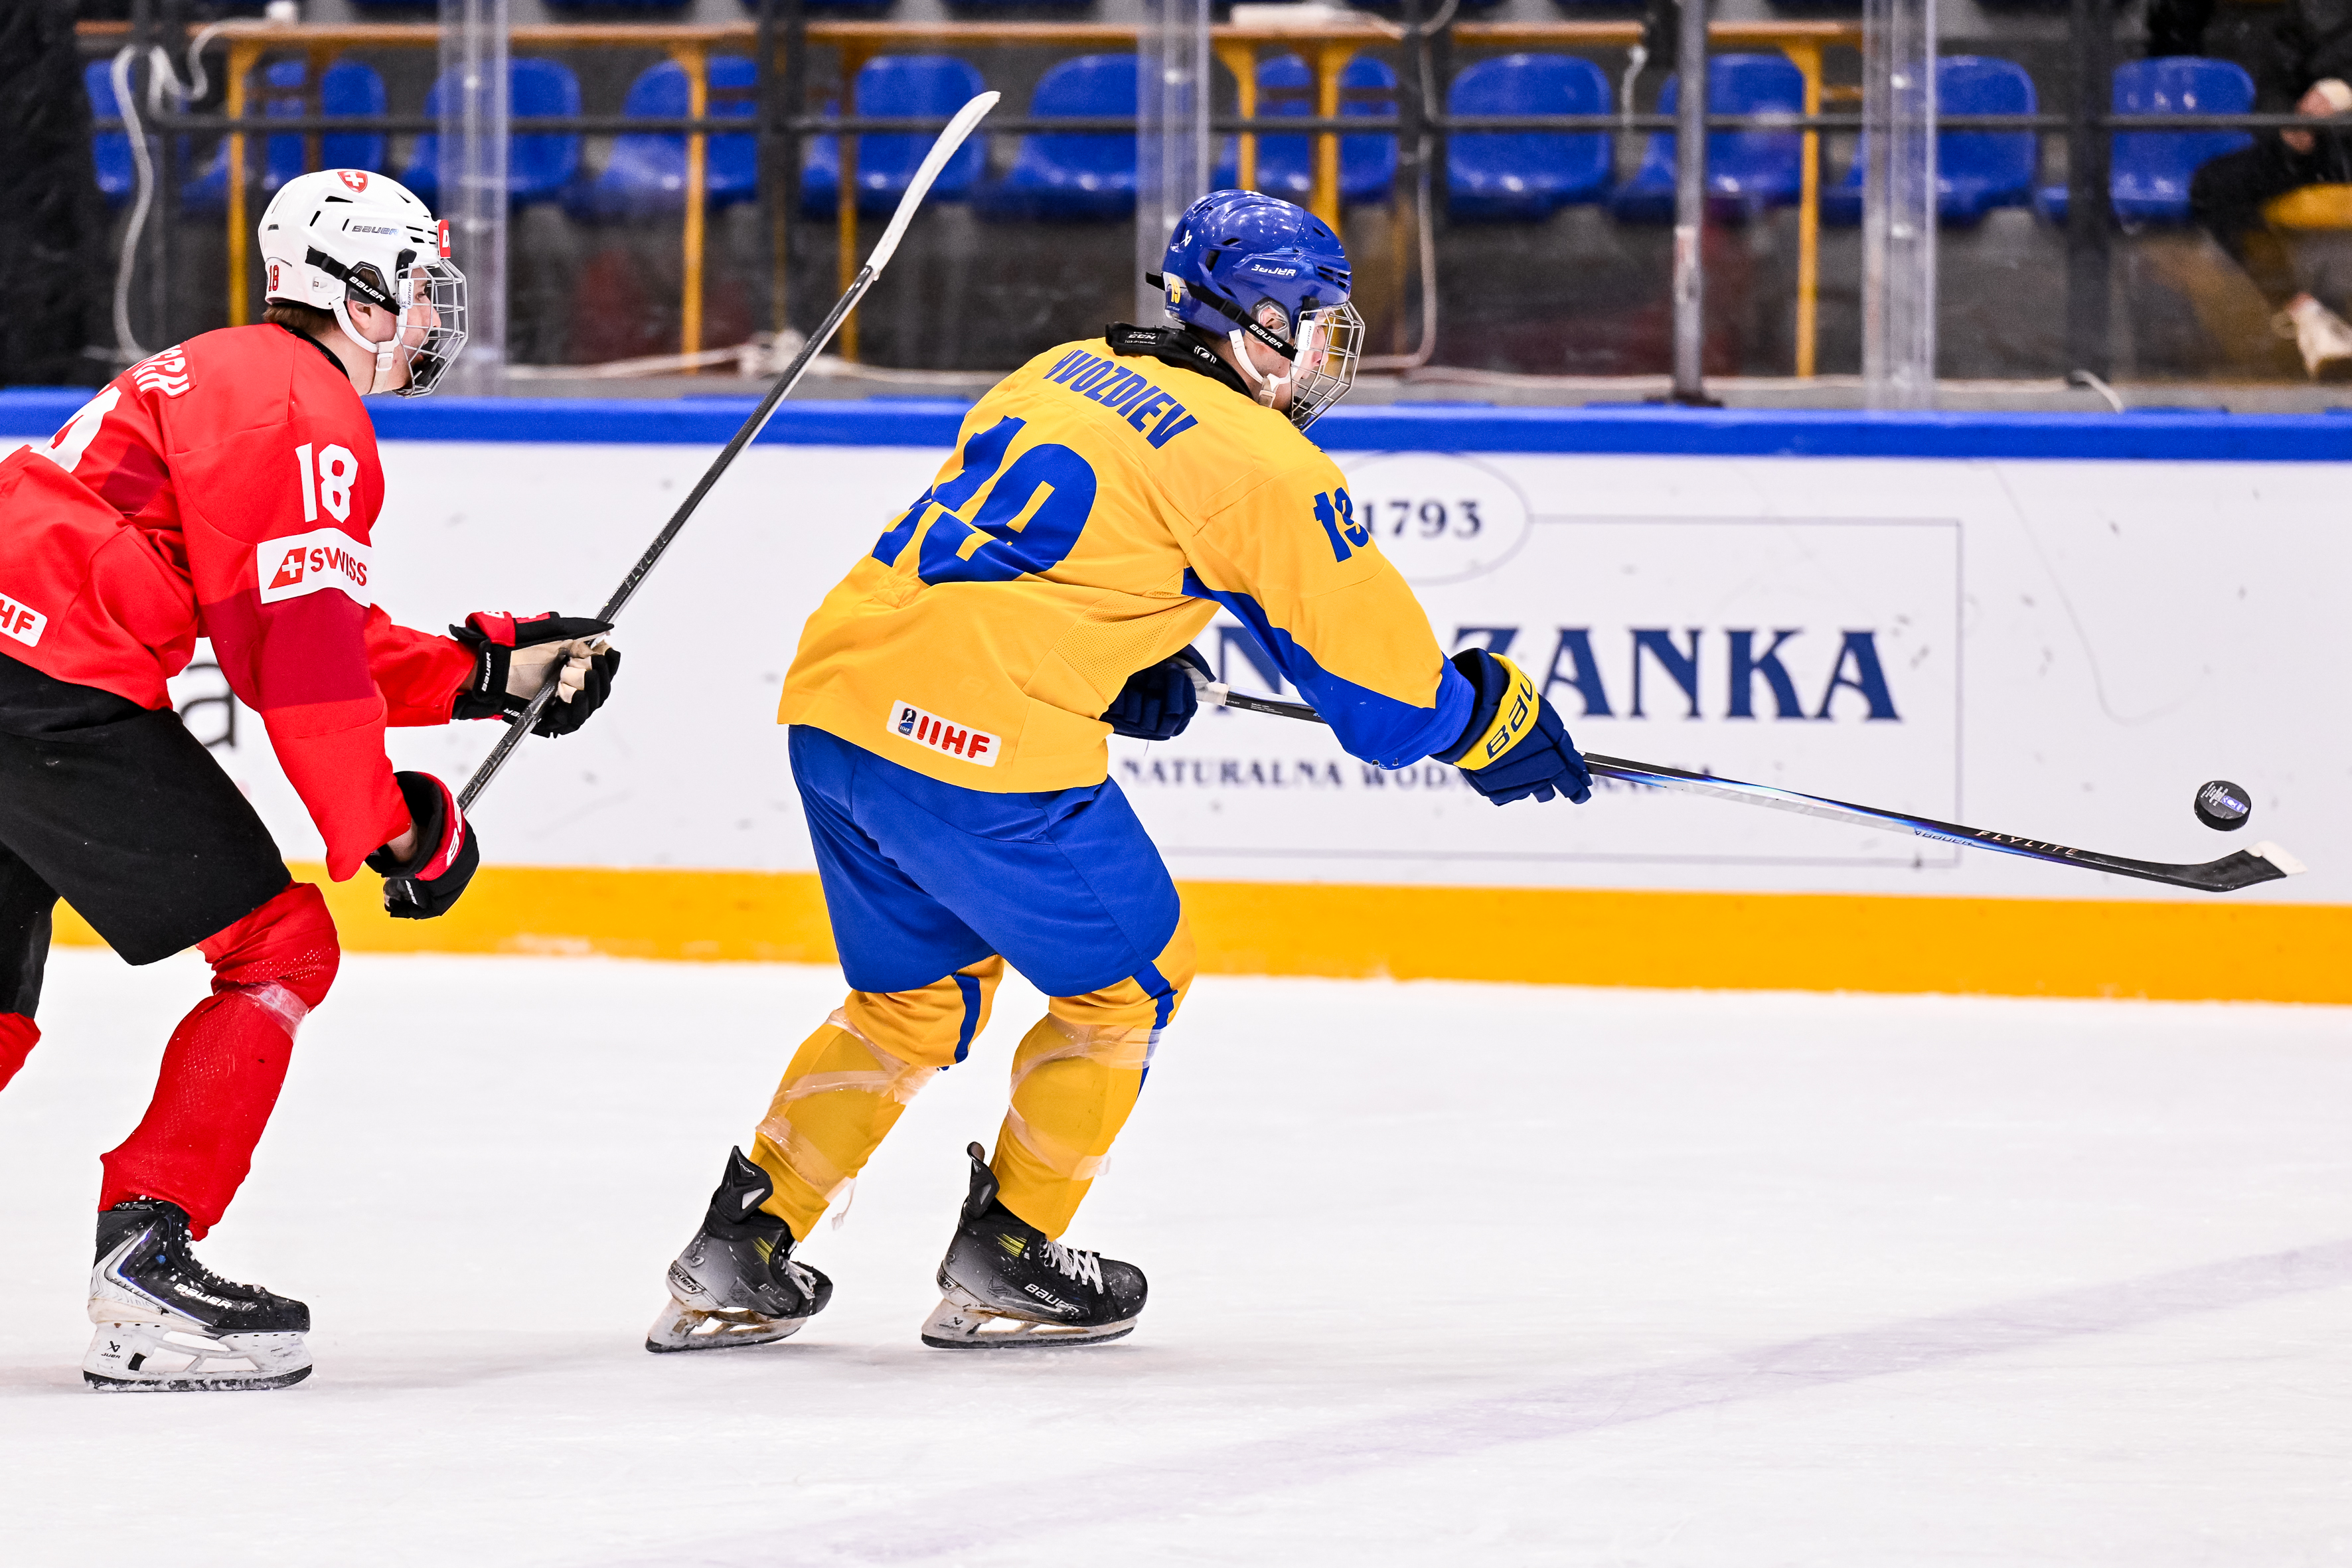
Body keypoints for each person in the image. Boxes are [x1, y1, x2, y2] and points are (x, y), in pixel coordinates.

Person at [647, 189, 1591, 1356]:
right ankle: (1011, 1253)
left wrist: (1128, 657)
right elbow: (1386, 704)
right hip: (975, 744)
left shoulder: (1066, 367)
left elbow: (1031, 557)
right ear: (1255, 320)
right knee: (1130, 983)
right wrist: (1480, 720)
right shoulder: (1262, 460)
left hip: (836, 705)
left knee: (911, 1001)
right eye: (1311, 323)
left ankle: (739, 1246)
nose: (1321, 354)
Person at [0, 169, 621, 1391]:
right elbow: (298, 657)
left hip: (19, 660)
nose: (431, 316)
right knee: (282, 946)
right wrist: (391, 831)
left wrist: (483, 670)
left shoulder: (229, 369)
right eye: (418, 288)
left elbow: (295, 624)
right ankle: (145, 1269)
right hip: (49, 683)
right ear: (357, 290)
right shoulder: (306, 409)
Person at [2163, 0, 2352, 377]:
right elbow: (2276, 86)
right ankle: (2308, 316)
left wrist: (2345, 89)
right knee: (2216, 186)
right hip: (2319, 152)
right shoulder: (2305, 17)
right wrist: (2293, 128)